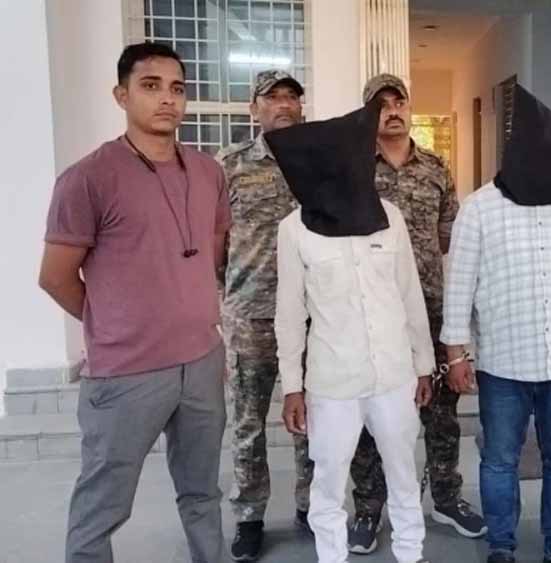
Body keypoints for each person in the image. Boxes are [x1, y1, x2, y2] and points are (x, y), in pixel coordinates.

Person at [39, 42, 230, 563]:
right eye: (150, 86)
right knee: (103, 505)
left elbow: (210, 253)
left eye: (177, 88)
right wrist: (114, 321)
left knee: (202, 493)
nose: (167, 98)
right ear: (121, 95)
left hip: (201, 362)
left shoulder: (209, 172)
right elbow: (55, 277)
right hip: (126, 372)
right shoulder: (88, 178)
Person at [442, 85, 551, 563]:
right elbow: (459, 282)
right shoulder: (480, 206)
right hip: (502, 361)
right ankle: (501, 545)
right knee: (499, 460)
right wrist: (456, 353)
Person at [269, 102, 434, 563]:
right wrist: (293, 386)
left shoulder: (390, 217)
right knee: (327, 482)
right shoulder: (295, 229)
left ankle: (410, 554)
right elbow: (289, 313)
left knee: (403, 475)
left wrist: (423, 365)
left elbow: (410, 295)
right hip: (332, 382)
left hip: (394, 375)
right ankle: (331, 556)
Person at [347, 73, 485, 555]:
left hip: (430, 308)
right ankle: (369, 507)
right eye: (381, 104)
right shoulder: (354, 169)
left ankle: (446, 497)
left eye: (399, 101)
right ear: (368, 114)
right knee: (370, 410)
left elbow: (451, 235)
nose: (392, 110)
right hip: (373, 313)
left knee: (442, 412)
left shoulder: (435, 167)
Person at [216, 69, 315, 561]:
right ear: (254, 108)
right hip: (251, 316)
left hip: (312, 317)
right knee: (248, 425)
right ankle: (250, 516)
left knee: (311, 418)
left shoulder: (319, 161)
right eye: (272, 97)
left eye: (291, 96)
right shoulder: (229, 165)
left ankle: (310, 506)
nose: (283, 104)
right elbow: (213, 242)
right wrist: (227, 296)